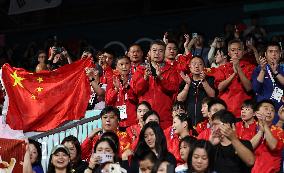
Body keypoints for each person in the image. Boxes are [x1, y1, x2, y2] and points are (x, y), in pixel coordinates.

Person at [131, 39, 179, 129]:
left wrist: (161, 78)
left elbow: (174, 88)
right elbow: (136, 91)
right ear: (149, 52)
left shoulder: (171, 70)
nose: (157, 53)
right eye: (154, 50)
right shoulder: (141, 69)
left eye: (160, 51)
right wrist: (144, 78)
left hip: (164, 117)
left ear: (164, 53)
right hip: (145, 117)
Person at [214, 39, 255, 117]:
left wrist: (238, 68)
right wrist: (234, 74)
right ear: (229, 53)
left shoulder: (250, 67)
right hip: (225, 110)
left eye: (239, 49)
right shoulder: (222, 68)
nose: (236, 52)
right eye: (233, 50)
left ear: (243, 52)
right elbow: (219, 87)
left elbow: (249, 88)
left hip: (243, 110)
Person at [177, 56, 215, 126]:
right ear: (190, 67)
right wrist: (188, 84)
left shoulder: (210, 79)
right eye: (194, 64)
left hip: (205, 120)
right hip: (188, 119)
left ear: (204, 67)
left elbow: (212, 95)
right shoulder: (185, 81)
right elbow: (180, 99)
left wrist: (203, 81)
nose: (197, 66)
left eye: (200, 64)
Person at [252, 41, 284, 123]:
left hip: (280, 110)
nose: (273, 54)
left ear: (280, 54)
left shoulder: (283, 69)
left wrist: (276, 73)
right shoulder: (258, 69)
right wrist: (263, 70)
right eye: (270, 51)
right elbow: (256, 89)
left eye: (276, 51)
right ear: (265, 54)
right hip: (264, 111)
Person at [250, 100, 284, 173]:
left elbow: (273, 146)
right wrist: (261, 130)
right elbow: (247, 148)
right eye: (266, 109)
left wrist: (264, 125)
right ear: (256, 113)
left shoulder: (278, 130)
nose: (269, 112)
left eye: (272, 110)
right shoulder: (249, 127)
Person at [105, 55, 138, 127]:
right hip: (117, 121)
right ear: (116, 67)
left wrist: (127, 87)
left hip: (132, 120)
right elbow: (108, 101)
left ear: (131, 65)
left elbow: (136, 99)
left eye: (127, 63)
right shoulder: (112, 81)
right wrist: (116, 90)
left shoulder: (134, 80)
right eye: (121, 64)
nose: (124, 67)